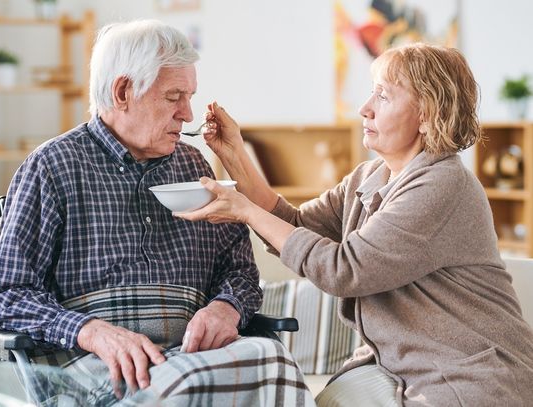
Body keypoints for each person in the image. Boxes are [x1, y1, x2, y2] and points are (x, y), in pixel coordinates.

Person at [177, 43, 533, 406]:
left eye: (383, 95)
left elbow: (345, 270)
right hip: (406, 368)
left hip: (468, 376)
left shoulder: (443, 184)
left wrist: (245, 211)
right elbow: (293, 224)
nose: (365, 108)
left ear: (427, 115)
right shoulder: (371, 175)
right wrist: (234, 152)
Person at [0, 20, 314, 406]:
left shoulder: (193, 164)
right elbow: (5, 294)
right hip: (88, 363)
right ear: (123, 91)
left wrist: (225, 308)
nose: (188, 113)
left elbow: (240, 269)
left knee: (273, 358)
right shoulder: (52, 166)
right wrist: (92, 331)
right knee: (186, 384)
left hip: (189, 356)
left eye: (190, 95)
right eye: (174, 96)